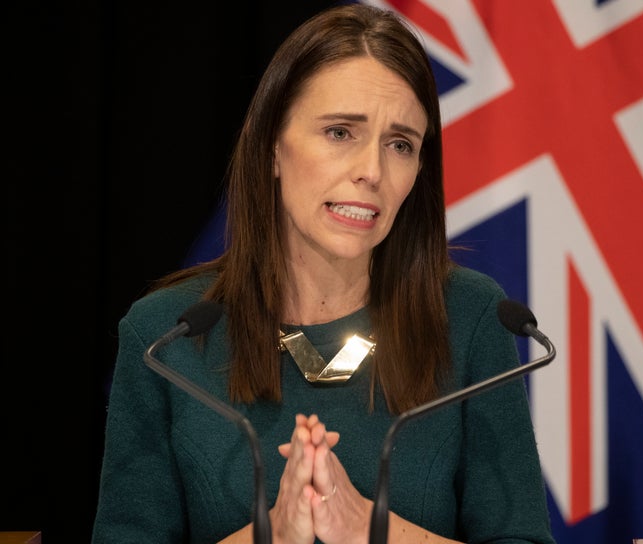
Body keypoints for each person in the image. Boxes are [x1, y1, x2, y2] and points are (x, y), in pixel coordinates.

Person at [92, 3, 556, 544]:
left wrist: (371, 529)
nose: (372, 171)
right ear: (272, 147)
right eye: (340, 132)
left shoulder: (472, 318)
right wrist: (271, 536)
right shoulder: (166, 337)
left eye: (400, 144)